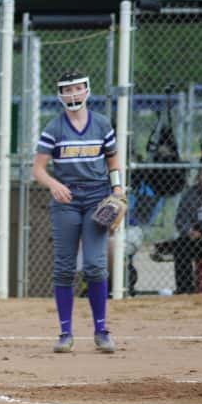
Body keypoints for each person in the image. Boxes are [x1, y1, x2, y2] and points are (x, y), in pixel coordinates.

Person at [32, 71, 123, 354]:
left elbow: (113, 161)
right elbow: (38, 169)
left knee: (95, 265)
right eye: (67, 89)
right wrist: (54, 184)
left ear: (87, 90)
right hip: (67, 199)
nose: (73, 94)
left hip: (96, 197)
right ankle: (65, 333)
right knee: (64, 266)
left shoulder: (102, 124)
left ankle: (101, 330)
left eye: (77, 88)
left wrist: (117, 189)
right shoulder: (54, 128)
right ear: (60, 94)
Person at [157, 160, 202, 294]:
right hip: (198, 239)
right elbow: (180, 220)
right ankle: (185, 289)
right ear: (199, 177)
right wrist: (189, 231)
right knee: (180, 245)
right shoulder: (191, 194)